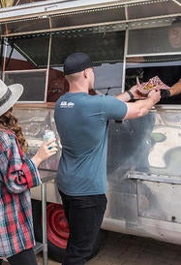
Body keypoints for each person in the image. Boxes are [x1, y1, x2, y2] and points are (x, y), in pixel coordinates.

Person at [54, 52, 161, 265]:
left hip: (67, 184)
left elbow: (105, 105)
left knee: (75, 241)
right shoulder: (96, 105)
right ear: (86, 73)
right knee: (79, 253)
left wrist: (131, 92)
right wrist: (151, 99)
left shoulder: (62, 103)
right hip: (88, 192)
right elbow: (139, 111)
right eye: (92, 71)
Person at [0, 78, 58, 265]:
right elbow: (16, 182)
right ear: (8, 107)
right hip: (4, 220)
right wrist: (38, 158)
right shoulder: (3, 138)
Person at [137, 20, 181, 104]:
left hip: (176, 104)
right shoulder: (156, 49)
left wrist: (167, 92)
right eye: (175, 33)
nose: (178, 38)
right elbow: (138, 59)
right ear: (169, 31)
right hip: (147, 101)